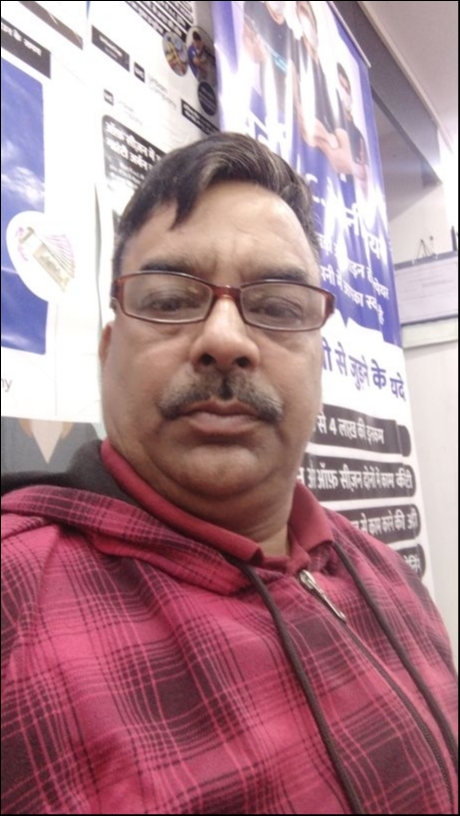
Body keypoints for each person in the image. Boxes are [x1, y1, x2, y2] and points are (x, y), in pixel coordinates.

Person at [1, 133, 457, 815]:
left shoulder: (389, 578)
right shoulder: (15, 602)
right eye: (168, 299)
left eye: (276, 308)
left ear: (319, 361)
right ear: (107, 353)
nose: (225, 339)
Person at [291, 1, 353, 175]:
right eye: (300, 12)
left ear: (314, 20)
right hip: (295, 166)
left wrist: (320, 138)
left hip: (323, 179)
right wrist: (330, 140)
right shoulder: (291, 50)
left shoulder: (330, 90)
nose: (303, 17)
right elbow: (302, 122)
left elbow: (347, 162)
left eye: (306, 12)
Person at [337, 62, 369, 198]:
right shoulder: (332, 125)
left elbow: (366, 178)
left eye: (347, 89)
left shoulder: (358, 136)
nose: (345, 93)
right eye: (341, 87)